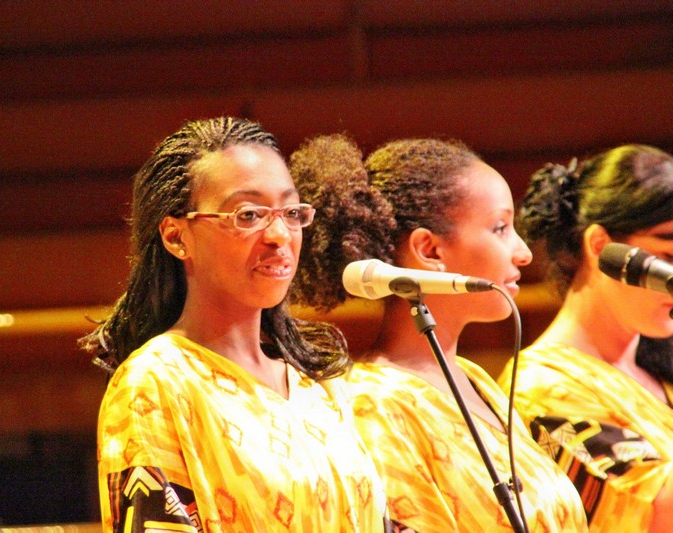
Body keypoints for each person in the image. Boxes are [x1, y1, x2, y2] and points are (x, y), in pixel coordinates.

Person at [80, 117, 389, 532]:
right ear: (176, 237)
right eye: (248, 215)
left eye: (291, 212)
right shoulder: (156, 380)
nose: (280, 234)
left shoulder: (318, 386)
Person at [288, 134, 588, 532]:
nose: (524, 253)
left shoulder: (478, 381)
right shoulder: (374, 404)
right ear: (429, 251)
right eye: (500, 228)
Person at [497, 144, 673, 532]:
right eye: (669, 257)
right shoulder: (539, 388)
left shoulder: (658, 364)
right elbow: (657, 512)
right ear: (600, 247)